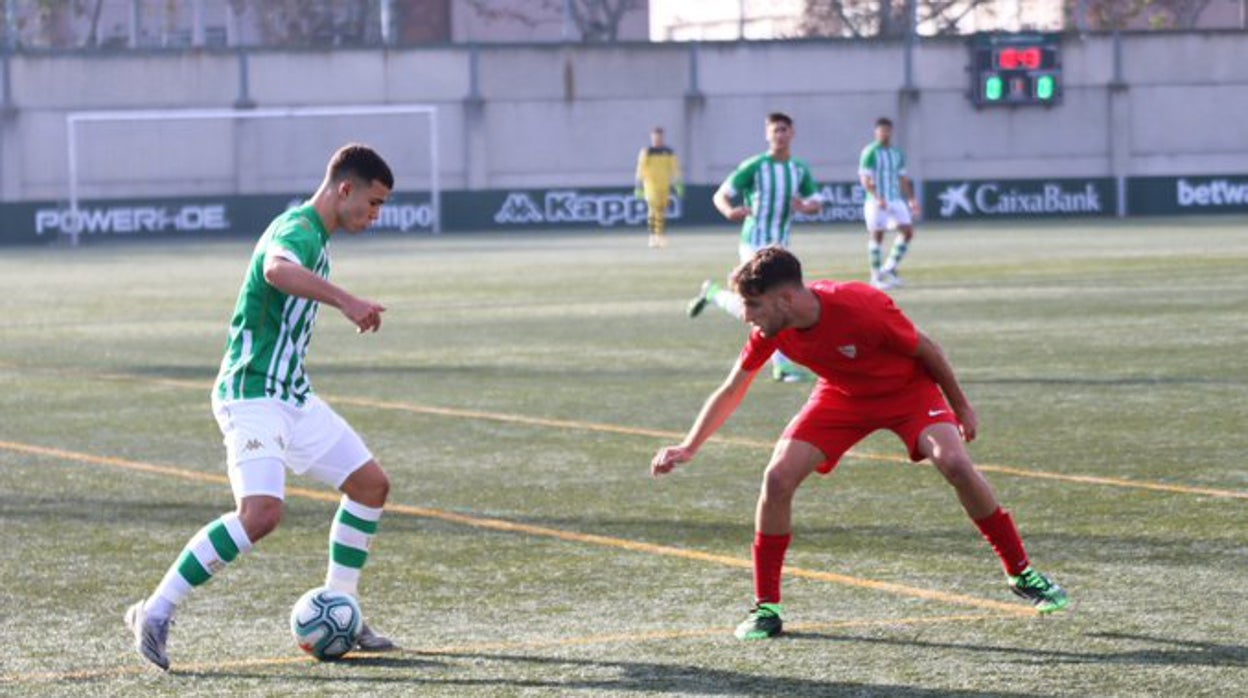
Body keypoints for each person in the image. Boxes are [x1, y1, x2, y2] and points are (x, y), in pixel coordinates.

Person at [652, 246, 1068, 641]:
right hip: (842, 396)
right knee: (777, 479)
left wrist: (962, 406)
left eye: (754, 306)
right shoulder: (772, 330)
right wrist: (689, 446)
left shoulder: (860, 306)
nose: (746, 316)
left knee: (956, 465)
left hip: (908, 392)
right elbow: (732, 389)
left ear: (785, 298)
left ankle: (1020, 572)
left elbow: (928, 350)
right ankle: (766, 607)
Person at [124, 144, 399, 671]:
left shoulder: (317, 236)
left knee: (370, 486)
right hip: (252, 394)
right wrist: (347, 300)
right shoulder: (296, 229)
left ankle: (342, 606)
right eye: (374, 202)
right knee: (261, 514)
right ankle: (154, 612)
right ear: (346, 189)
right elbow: (275, 270)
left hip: (291, 394)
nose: (376, 214)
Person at [687, 112, 822, 382]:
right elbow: (721, 194)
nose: (779, 135)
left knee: (768, 303)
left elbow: (816, 201)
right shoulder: (755, 166)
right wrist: (729, 211)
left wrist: (807, 207)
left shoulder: (799, 169)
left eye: (784, 129)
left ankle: (713, 293)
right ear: (767, 135)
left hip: (780, 247)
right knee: (765, 303)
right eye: (775, 130)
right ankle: (782, 365)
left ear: (792, 133)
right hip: (754, 244)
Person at [859, 116, 920, 290]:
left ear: (891, 132)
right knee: (877, 235)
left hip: (895, 199)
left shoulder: (897, 153)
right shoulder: (870, 152)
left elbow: (903, 178)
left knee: (908, 231)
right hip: (876, 201)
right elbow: (864, 178)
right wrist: (877, 196)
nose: (885, 134)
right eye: (881, 130)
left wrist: (911, 199)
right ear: (876, 132)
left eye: (887, 130)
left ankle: (890, 267)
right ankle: (876, 277)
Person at [634, 126, 684, 249]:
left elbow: (675, 168)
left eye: (660, 137)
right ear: (652, 137)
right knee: (653, 208)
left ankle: (660, 236)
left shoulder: (669, 152)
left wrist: (678, 183)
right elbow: (640, 169)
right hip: (650, 185)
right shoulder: (647, 152)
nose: (658, 139)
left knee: (661, 210)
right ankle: (652, 237)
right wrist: (638, 186)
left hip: (664, 185)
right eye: (656, 137)